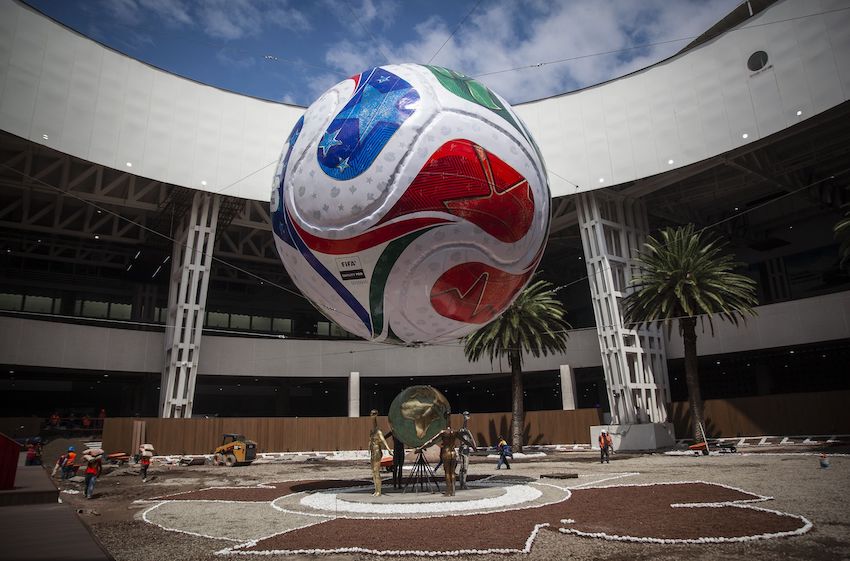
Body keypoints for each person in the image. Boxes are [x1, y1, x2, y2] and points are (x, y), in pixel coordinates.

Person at [417, 414, 474, 497]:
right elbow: (465, 441)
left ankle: (448, 491)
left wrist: (420, 448)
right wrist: (473, 447)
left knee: (447, 472)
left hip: (446, 453)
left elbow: (431, 441)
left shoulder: (443, 432)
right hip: (453, 453)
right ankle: (453, 491)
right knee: (452, 473)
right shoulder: (455, 432)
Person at [368, 410, 392, 496]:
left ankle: (379, 491)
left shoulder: (378, 431)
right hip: (372, 452)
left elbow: (383, 440)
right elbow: (370, 441)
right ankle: (376, 490)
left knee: (376, 471)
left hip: (377, 452)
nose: (372, 416)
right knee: (373, 472)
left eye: (373, 415)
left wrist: (389, 449)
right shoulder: (372, 431)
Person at [458, 411, 477, 489]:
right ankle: (461, 484)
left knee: (465, 467)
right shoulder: (461, 431)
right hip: (462, 450)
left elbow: (472, 440)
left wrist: (474, 447)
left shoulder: (467, 432)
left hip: (466, 450)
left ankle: (464, 483)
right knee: (462, 467)